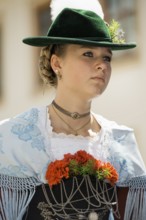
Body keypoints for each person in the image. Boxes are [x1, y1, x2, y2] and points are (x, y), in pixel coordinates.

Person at [0, 3, 146, 220]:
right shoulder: (13, 137)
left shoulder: (121, 141)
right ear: (57, 63)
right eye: (88, 54)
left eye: (107, 57)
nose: (102, 65)